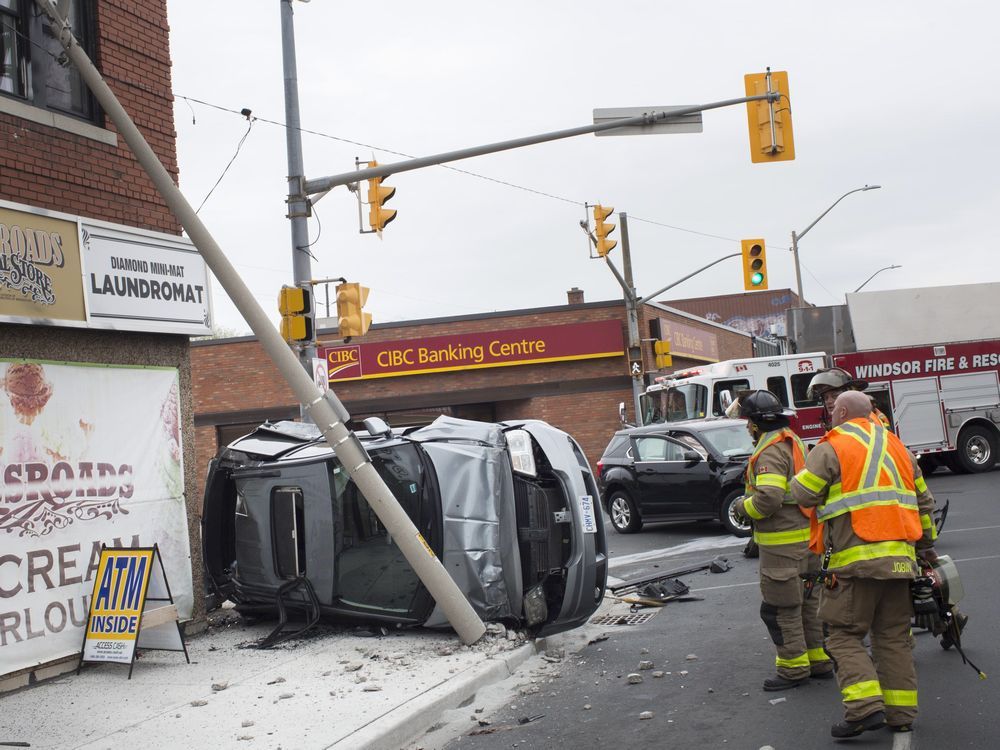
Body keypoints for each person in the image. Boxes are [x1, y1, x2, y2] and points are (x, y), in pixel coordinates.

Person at [791, 390, 939, 738]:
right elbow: (925, 504)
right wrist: (927, 550)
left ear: (840, 411)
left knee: (843, 635)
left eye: (831, 410)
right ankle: (900, 713)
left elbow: (803, 494)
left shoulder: (832, 446)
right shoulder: (899, 448)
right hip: (902, 564)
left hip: (854, 564)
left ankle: (863, 708)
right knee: (893, 637)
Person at [732, 390, 833, 691]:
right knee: (808, 604)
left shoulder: (770, 451)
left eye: (747, 421)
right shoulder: (792, 440)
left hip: (782, 546)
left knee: (781, 608)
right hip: (808, 540)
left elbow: (768, 498)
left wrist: (741, 509)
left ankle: (793, 669)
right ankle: (818, 661)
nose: (746, 428)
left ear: (755, 423)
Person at [806, 367, 891, 430]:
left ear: (850, 395)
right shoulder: (840, 424)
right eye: (825, 398)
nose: (829, 401)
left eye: (835, 396)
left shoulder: (866, 421)